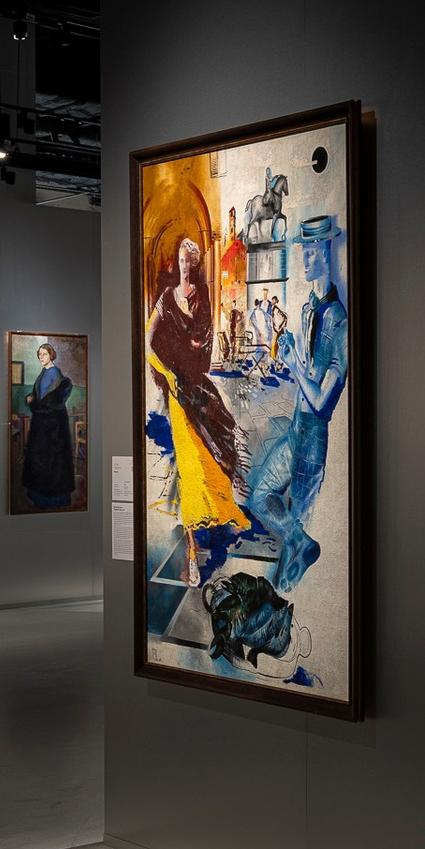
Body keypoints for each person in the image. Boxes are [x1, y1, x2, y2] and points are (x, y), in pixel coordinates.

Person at [245, 214, 347, 593]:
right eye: (303, 250)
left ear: (326, 252)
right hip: (295, 428)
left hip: (312, 437)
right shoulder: (308, 309)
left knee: (291, 548)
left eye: (312, 251)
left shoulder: (338, 322)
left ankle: (294, 569)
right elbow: (306, 373)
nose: (304, 258)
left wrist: (293, 365)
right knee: (260, 497)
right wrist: (288, 349)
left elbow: (321, 402)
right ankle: (301, 545)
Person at [148, 237, 246, 584]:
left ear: (196, 264)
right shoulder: (166, 298)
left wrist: (191, 354)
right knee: (190, 469)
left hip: (199, 387)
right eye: (182, 260)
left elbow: (203, 342)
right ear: (177, 262)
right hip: (178, 393)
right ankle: (191, 551)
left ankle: (217, 520)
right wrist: (168, 373)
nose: (185, 266)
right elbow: (147, 344)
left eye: (190, 261)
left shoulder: (201, 296)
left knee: (219, 451)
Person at [19, 342, 78, 509]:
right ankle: (38, 497)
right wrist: (31, 397)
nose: (41, 357)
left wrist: (33, 403)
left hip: (54, 428)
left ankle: (53, 502)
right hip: (41, 426)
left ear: (51, 355)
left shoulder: (57, 376)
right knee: (39, 462)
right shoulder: (43, 373)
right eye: (39, 354)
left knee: (53, 464)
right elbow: (37, 395)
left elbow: (52, 403)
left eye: (44, 354)